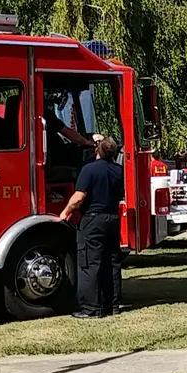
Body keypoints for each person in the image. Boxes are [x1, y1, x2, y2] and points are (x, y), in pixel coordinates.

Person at [61, 136, 124, 318]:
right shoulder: (119, 170)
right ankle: (113, 305)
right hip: (112, 218)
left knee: (90, 263)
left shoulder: (88, 170)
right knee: (112, 262)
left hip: (92, 220)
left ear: (97, 150)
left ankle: (91, 308)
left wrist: (65, 212)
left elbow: (79, 197)